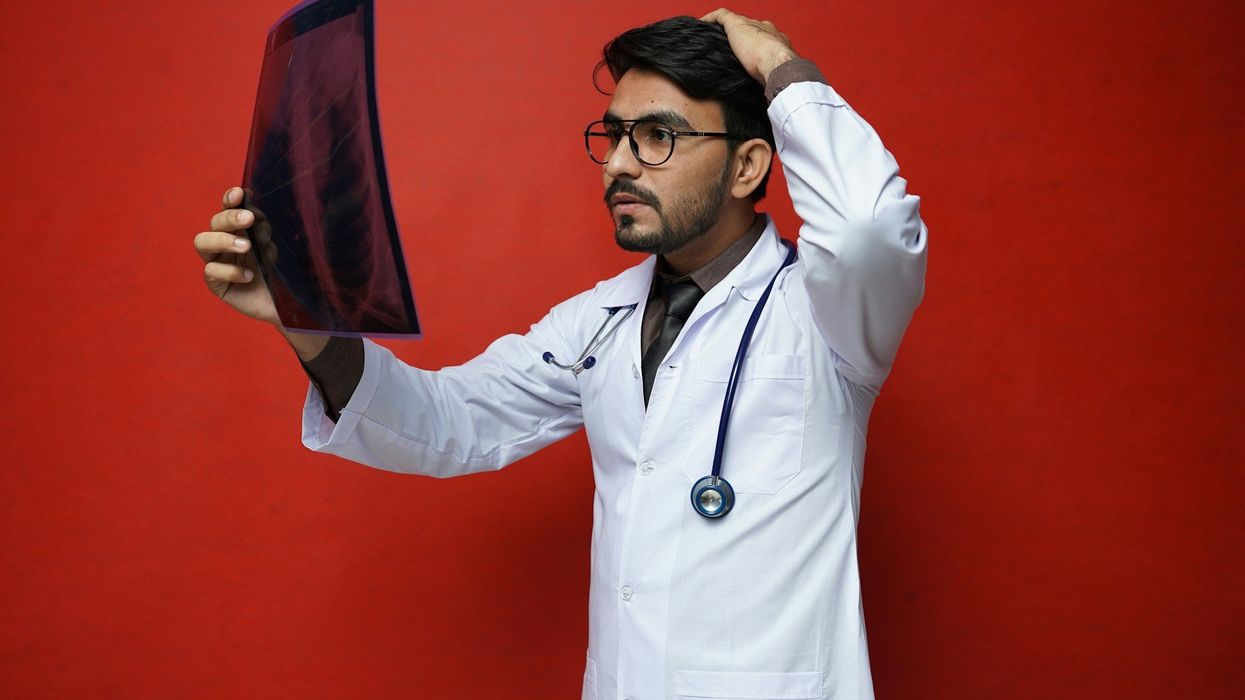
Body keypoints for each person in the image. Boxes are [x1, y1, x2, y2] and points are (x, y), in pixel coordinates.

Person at [194, 9, 926, 699]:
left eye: (658, 138)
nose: (617, 166)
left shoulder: (828, 314)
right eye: (613, 137)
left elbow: (868, 226)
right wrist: (305, 319)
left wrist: (778, 66)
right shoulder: (596, 323)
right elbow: (448, 422)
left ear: (746, 167)